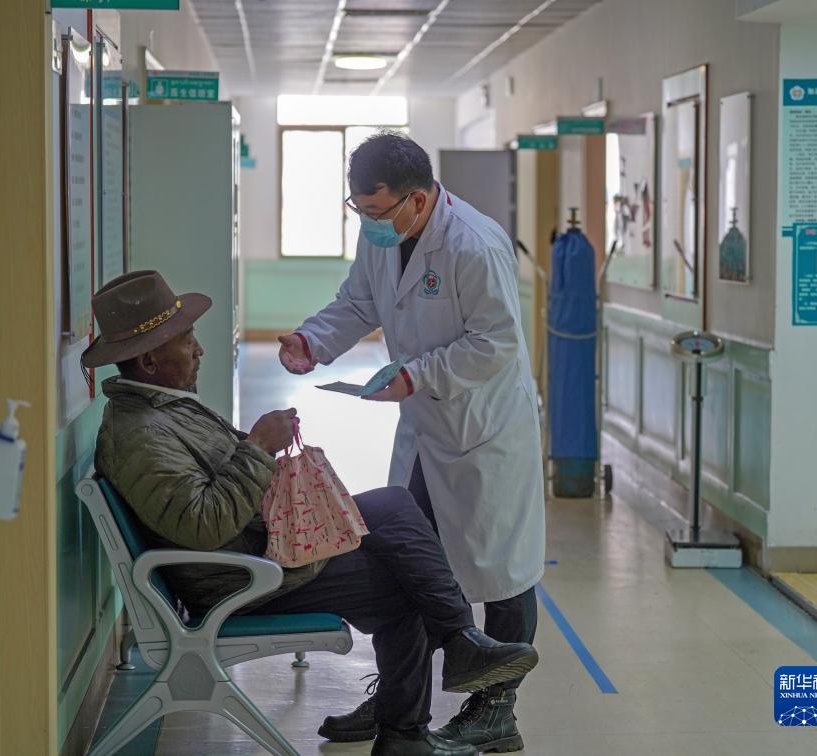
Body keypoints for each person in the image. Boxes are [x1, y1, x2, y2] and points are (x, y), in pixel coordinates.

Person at [83, 270, 540, 756]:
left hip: (256, 546)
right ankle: (409, 726)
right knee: (402, 582)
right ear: (149, 360)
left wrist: (256, 453)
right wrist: (257, 448)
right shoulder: (142, 435)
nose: (199, 350)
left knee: (393, 504)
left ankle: (458, 640)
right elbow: (202, 525)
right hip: (242, 576)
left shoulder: (161, 410)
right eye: (186, 340)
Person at [278, 132, 545, 752]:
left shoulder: (474, 245)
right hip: (425, 424)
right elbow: (358, 303)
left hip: (483, 427)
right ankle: (399, 701)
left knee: (502, 569)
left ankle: (496, 712)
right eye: (359, 209)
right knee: (405, 557)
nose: (367, 222)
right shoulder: (384, 234)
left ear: (418, 200)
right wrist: (312, 341)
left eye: (376, 211)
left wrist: (416, 375)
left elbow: (496, 343)